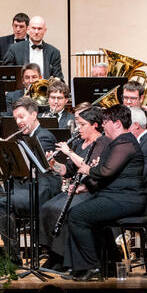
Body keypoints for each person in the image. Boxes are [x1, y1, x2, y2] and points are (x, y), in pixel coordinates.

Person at [60, 104, 147, 281]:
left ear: (116, 123)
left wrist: (86, 170)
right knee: (84, 217)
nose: (103, 124)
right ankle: (98, 266)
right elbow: (108, 176)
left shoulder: (126, 142)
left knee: (77, 215)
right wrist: (84, 188)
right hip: (115, 196)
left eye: (106, 121)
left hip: (127, 199)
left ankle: (91, 266)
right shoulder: (116, 143)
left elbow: (106, 171)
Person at [39, 107, 108, 271]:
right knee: (47, 207)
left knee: (62, 209)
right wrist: (52, 164)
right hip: (76, 187)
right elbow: (67, 170)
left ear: (95, 125)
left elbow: (87, 167)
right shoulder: (79, 143)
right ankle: (53, 254)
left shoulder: (103, 143)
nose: (79, 129)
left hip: (92, 190)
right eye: (79, 124)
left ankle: (64, 258)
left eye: (83, 125)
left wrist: (68, 152)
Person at [0, 96, 58, 226]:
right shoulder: (22, 136)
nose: (18, 121)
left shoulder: (44, 137)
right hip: (24, 187)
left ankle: (8, 246)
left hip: (41, 190)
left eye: (21, 117)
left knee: (4, 203)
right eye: (16, 118)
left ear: (34, 115)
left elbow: (33, 166)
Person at [3, 15, 63, 79]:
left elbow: (59, 78)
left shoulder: (54, 52)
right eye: (34, 28)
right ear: (28, 29)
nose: (36, 32)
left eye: (39, 29)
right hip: (22, 89)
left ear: (45, 31)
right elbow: (6, 75)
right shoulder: (14, 49)